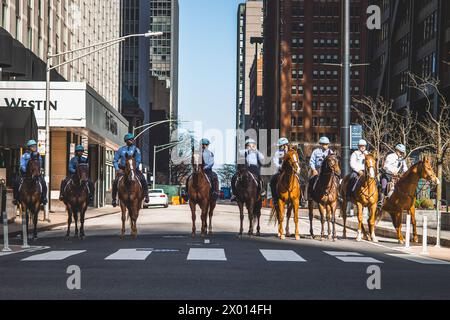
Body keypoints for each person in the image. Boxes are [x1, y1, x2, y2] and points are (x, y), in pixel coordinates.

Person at [111, 133, 149, 207]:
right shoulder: (121, 150)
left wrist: (133, 168)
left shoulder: (136, 150)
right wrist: (117, 169)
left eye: (132, 139)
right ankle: (114, 199)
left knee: (143, 179)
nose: (131, 140)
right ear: (126, 140)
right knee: (115, 181)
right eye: (130, 139)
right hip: (123, 170)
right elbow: (115, 160)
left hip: (134, 169)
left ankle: (146, 196)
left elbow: (138, 161)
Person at [13, 140, 48, 206]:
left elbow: (40, 164)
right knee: (16, 181)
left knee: (43, 182)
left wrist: (38, 170)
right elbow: (22, 165)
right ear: (29, 147)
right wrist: (27, 171)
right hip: (25, 174)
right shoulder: (24, 156)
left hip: (36, 174)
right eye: (33, 146)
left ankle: (44, 198)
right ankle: (16, 198)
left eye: (35, 146)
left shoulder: (38, 155)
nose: (34, 147)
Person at [269, 137, 291, 202]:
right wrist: (280, 166)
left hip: (290, 171)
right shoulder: (277, 153)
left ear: (285, 145)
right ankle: (275, 198)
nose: (280, 147)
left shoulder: (291, 152)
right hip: (280, 171)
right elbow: (275, 162)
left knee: (300, 181)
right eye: (280, 146)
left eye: (281, 146)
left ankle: (301, 198)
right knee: (272, 181)